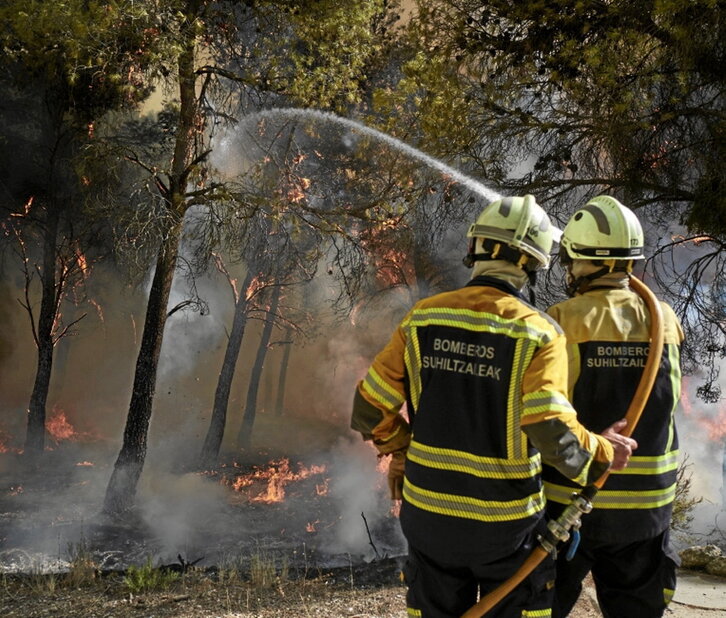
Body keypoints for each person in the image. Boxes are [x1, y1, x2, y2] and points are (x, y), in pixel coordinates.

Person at [350, 194, 637, 618]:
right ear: (534, 264)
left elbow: (369, 408)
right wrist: (602, 451)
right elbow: (549, 429)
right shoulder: (539, 334)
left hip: (428, 518)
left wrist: (401, 448)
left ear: (473, 251)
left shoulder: (423, 318)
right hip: (505, 530)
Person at [543, 196, 683, 618]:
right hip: (646, 511)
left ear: (580, 259)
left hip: (575, 502)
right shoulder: (665, 319)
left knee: (541, 605)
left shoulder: (563, 319)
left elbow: (548, 412)